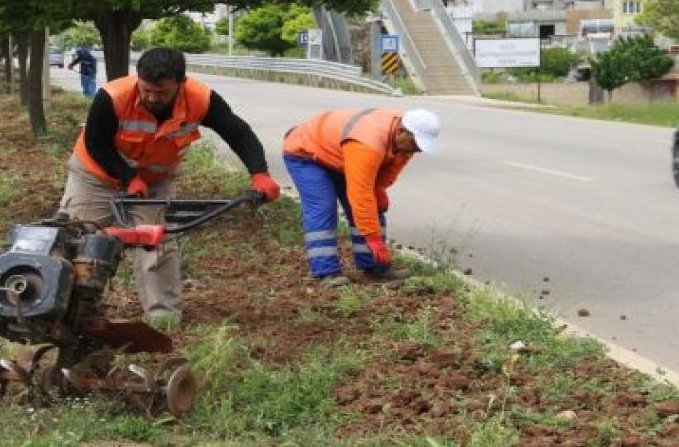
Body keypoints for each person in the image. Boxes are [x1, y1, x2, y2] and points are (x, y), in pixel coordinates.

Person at [58, 47, 281, 328]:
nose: (152, 97)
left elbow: (238, 132)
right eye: (146, 89)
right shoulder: (113, 97)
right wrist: (128, 178)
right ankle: (63, 308)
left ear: (180, 83)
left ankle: (162, 317)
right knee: (78, 235)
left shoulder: (200, 99)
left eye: (161, 92)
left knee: (157, 242)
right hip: (95, 175)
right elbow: (96, 143)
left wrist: (259, 173)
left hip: (154, 181)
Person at [281, 108, 440, 287]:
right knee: (324, 208)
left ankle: (375, 267)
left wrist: (378, 189)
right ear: (401, 131)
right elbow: (361, 195)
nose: (417, 150)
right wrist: (372, 237)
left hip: (341, 157)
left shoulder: (406, 140)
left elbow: (389, 170)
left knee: (373, 209)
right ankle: (326, 273)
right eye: (416, 143)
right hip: (307, 153)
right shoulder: (368, 143)